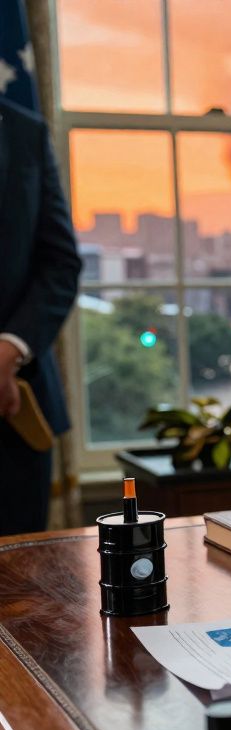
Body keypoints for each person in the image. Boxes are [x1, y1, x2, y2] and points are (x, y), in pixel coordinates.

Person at [0, 96, 82, 537]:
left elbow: (61, 263)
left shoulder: (25, 131)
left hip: (14, 414)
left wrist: (8, 349)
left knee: (21, 597)